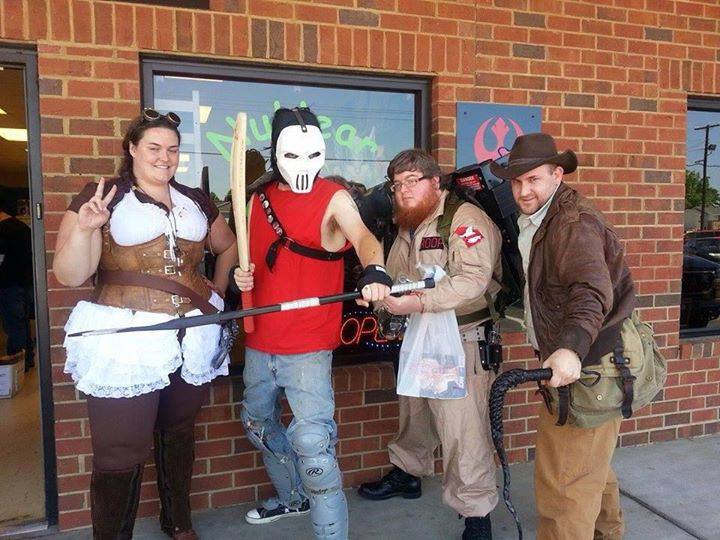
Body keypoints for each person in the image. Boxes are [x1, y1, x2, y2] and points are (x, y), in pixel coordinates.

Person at [54, 109, 238, 540]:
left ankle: (178, 522)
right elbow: (70, 274)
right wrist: (86, 230)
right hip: (127, 338)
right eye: (154, 147)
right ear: (133, 149)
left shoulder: (195, 200)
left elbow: (228, 246)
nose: (164, 157)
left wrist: (217, 289)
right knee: (119, 448)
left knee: (178, 430)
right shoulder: (103, 197)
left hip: (192, 335)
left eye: (172, 149)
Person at [232, 107, 391, 540]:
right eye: (292, 154)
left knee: (312, 443)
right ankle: (292, 497)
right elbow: (253, 261)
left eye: (311, 154)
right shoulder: (257, 200)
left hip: (307, 344)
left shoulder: (333, 197)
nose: (303, 164)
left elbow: (363, 236)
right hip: (260, 338)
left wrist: (375, 270)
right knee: (258, 425)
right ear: (275, 153)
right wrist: (241, 278)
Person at [490, 132, 636, 540]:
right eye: (517, 182)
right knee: (589, 466)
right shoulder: (542, 217)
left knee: (564, 486)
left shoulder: (572, 223)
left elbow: (590, 290)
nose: (523, 191)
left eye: (534, 179)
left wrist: (570, 348)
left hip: (588, 365)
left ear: (557, 175)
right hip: (584, 362)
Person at [357, 149, 503, 540]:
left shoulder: (464, 219)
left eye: (412, 181)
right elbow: (395, 275)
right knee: (415, 412)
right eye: (397, 184)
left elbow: (472, 280)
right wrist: (381, 300)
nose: (403, 190)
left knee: (462, 430)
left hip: (463, 340)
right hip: (420, 335)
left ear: (434, 182)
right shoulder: (409, 222)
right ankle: (408, 473)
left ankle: (476, 515)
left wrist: (418, 302)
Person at [0, 191, 34, 371]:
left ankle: (16, 366)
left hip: (8, 284)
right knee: (22, 324)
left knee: (14, 326)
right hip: (27, 282)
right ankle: (27, 360)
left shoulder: (2, 230)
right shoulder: (23, 228)